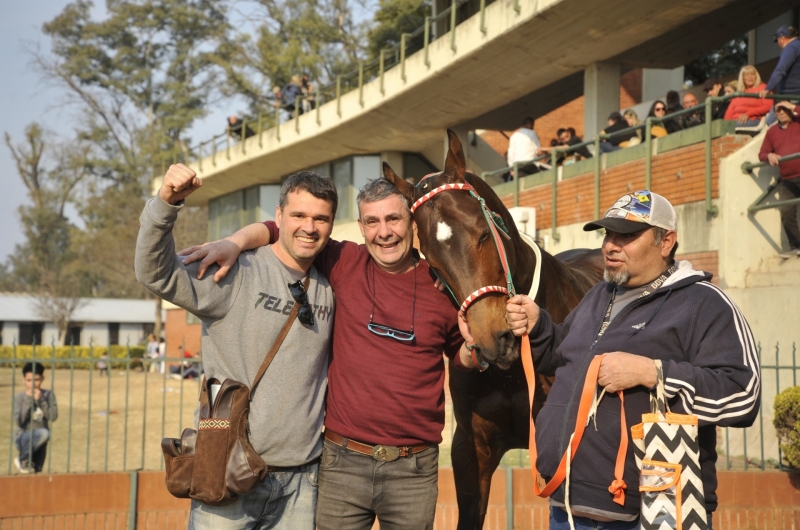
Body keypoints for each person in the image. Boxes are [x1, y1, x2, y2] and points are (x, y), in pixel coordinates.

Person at [179, 177, 478, 530]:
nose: (384, 232)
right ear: (362, 227)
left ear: (412, 222)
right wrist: (233, 242)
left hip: (413, 468)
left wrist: (475, 349)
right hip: (342, 463)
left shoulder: (443, 285)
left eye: (394, 219)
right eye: (372, 221)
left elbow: (463, 355)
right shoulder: (343, 261)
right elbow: (283, 229)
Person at [506, 190, 761, 529]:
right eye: (608, 234)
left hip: (653, 513)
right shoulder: (600, 293)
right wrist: (539, 326)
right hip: (567, 507)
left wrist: (654, 373)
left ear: (666, 241)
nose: (610, 245)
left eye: (626, 236)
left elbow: (743, 395)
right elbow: (563, 355)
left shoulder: (705, 303)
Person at [135, 164, 336, 529]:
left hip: (302, 484)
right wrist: (165, 204)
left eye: (321, 218)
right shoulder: (235, 270)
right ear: (278, 217)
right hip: (228, 473)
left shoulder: (331, 285)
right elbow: (156, 273)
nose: (309, 226)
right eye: (299, 215)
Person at [758, 101, 800, 259]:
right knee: (786, 212)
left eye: (785, 109)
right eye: (778, 110)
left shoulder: (798, 122)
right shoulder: (772, 132)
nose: (781, 112)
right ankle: (796, 246)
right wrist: (769, 155)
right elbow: (762, 154)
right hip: (787, 179)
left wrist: (793, 106)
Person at [14, 362, 58, 474]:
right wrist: (29, 400)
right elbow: (20, 421)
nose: (33, 384)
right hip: (23, 438)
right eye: (29, 380)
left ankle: (25, 462)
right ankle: (22, 458)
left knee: (36, 472)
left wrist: (41, 400)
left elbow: (52, 417)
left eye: (37, 380)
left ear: (42, 379)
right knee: (44, 433)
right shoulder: (19, 397)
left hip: (41, 442)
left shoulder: (48, 395)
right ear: (24, 380)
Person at [761, 25, 800, 125]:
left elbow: (781, 70)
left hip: (790, 96)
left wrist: (767, 88)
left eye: (777, 40)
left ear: (782, 38)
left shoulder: (790, 48)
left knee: (770, 123)